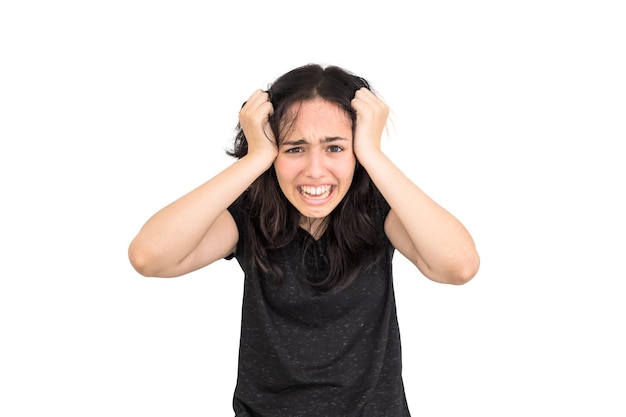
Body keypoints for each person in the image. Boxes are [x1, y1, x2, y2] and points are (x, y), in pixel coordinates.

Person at [128, 63, 480, 417]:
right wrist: (257, 156)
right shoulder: (249, 214)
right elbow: (150, 257)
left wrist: (373, 155)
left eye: (335, 148)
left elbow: (459, 266)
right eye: (294, 149)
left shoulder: (379, 208)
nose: (314, 170)